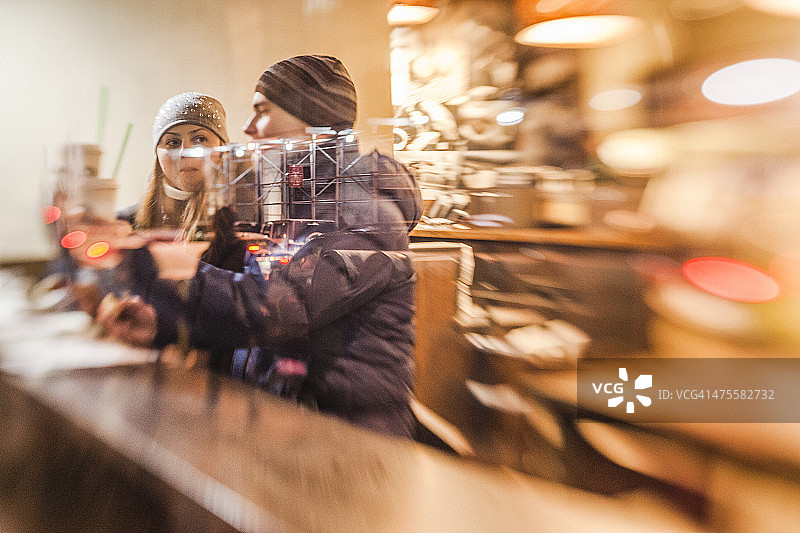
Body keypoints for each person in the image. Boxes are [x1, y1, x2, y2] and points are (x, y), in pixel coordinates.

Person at [97, 55, 423, 438]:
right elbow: (252, 332)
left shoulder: (362, 215)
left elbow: (271, 308)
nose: (248, 128)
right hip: (279, 421)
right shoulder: (292, 207)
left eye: (263, 111)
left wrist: (152, 262)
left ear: (311, 118)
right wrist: (160, 325)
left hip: (346, 438)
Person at [118, 92, 229, 241]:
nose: (185, 152)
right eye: (173, 142)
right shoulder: (124, 224)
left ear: (222, 149)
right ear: (157, 154)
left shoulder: (242, 222)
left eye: (199, 139)